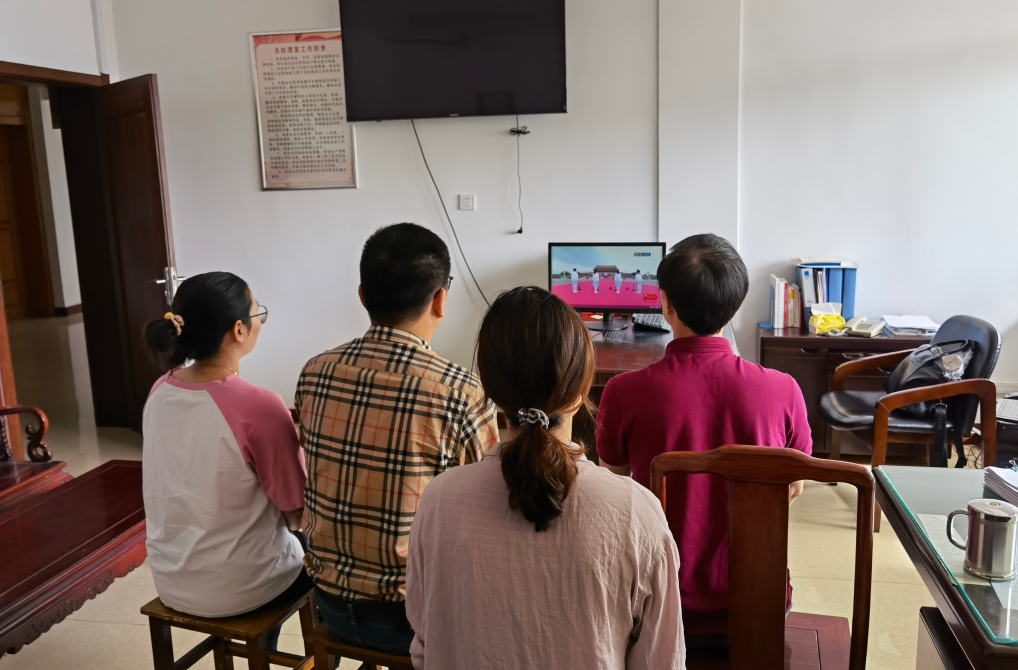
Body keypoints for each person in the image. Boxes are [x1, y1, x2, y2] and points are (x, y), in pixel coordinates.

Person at [406, 286, 685, 670]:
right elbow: (662, 663)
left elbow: (425, 645)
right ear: (581, 391)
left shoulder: (438, 500)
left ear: (490, 390)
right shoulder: (637, 513)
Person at [297, 223, 500, 655]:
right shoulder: (460, 392)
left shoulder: (315, 372)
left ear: (362, 296)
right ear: (441, 299)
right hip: (412, 619)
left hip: (328, 603)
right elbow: (491, 503)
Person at [596, 234, 811, 627]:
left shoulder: (622, 391)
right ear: (735, 304)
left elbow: (615, 489)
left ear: (665, 304)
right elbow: (793, 487)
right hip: (758, 601)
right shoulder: (784, 390)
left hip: (656, 603)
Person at [142, 272, 309, 647]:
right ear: (238, 329)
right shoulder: (260, 405)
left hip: (172, 580)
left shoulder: (159, 390)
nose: (259, 321)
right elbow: (295, 511)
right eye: (257, 312)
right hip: (243, 588)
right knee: (325, 557)